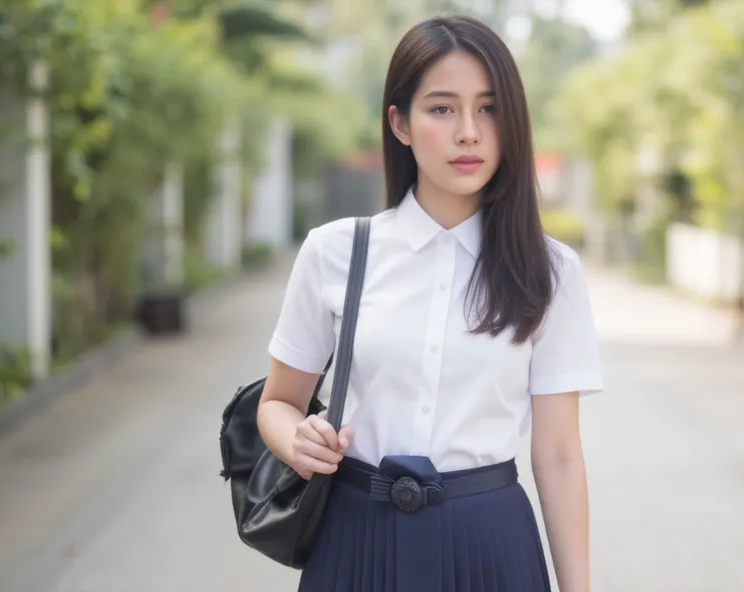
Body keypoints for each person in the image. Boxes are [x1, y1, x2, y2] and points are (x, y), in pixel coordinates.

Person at [257, 12, 603, 592]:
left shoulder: (551, 271)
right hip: (354, 540)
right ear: (401, 123)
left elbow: (560, 453)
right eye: (442, 108)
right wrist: (296, 438)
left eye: (488, 108)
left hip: (491, 546)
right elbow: (276, 404)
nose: (469, 131)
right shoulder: (335, 252)